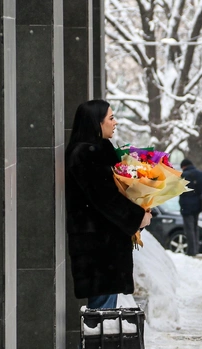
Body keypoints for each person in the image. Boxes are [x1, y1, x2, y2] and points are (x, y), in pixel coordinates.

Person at [65, 99, 152, 311]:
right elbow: (105, 198)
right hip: (98, 250)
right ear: (97, 122)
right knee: (100, 322)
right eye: (111, 118)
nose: (116, 123)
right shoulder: (86, 154)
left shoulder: (97, 150)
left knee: (103, 320)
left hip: (103, 248)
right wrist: (138, 216)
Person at [178, 158, 202, 256]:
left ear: (183, 166)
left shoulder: (183, 176)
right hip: (197, 204)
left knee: (189, 228)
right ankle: (196, 249)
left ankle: (191, 251)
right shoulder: (201, 174)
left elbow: (179, 189)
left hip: (186, 205)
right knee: (195, 227)